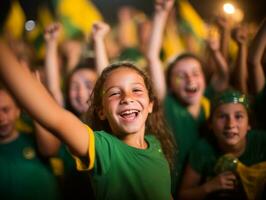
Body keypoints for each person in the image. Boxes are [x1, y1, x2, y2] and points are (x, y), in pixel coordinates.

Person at [0, 39, 175, 199]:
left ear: (151, 104)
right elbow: (56, 118)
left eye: (136, 90)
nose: (127, 98)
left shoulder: (156, 144)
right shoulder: (104, 150)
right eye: (114, 93)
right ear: (101, 112)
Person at [146, 0, 229, 197]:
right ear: (170, 85)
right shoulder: (168, 104)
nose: (190, 79)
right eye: (180, 76)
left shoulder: (211, 102)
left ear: (204, 78)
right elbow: (152, 57)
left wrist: (216, 51)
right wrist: (160, 15)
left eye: (195, 73)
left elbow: (224, 76)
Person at [178, 90, 266, 200]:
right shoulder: (202, 150)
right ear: (211, 124)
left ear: (249, 124)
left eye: (238, 116)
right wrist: (209, 187)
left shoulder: (262, 141)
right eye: (222, 117)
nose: (231, 124)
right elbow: (183, 195)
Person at [0, 85, 60, 200]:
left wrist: (33, 100)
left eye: (5, 110)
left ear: (18, 111)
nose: (1, 118)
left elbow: (51, 150)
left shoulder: (35, 139)